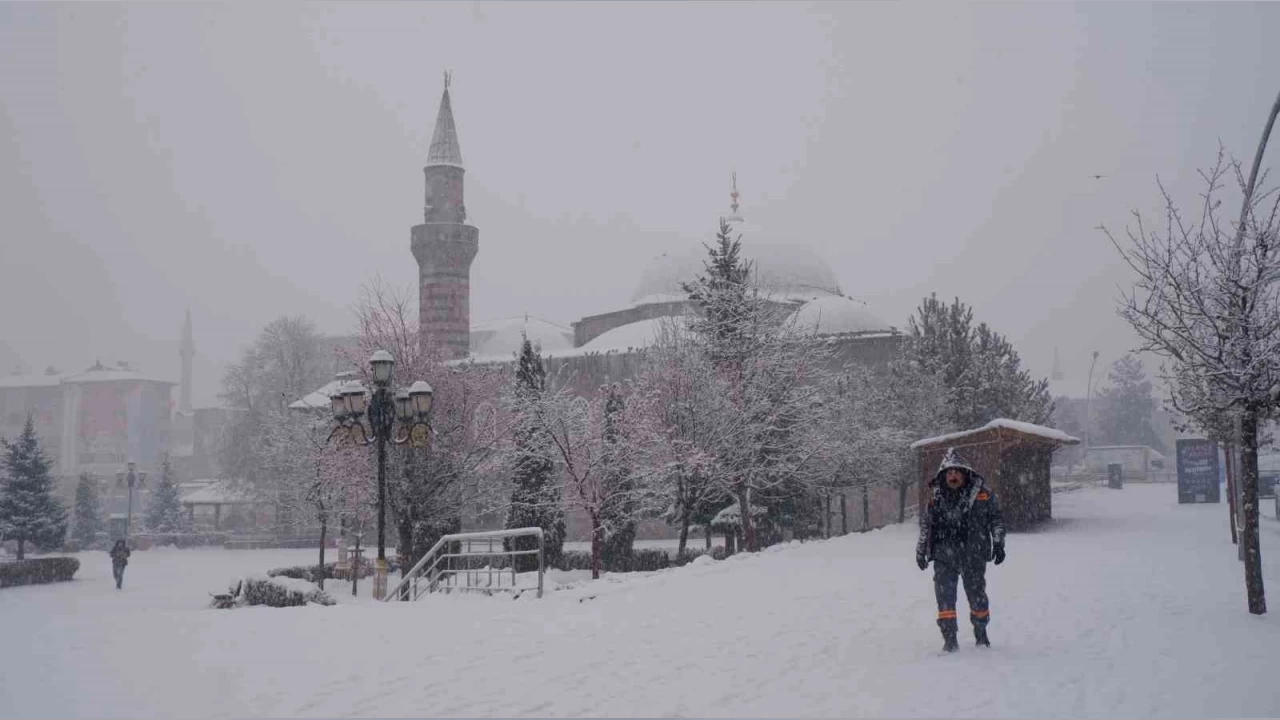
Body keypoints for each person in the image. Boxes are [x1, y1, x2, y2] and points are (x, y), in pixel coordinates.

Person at [916, 447, 1006, 652]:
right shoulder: (936, 497)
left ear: (965, 473)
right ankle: (949, 640)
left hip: (973, 553)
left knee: (977, 595)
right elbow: (926, 525)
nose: (953, 475)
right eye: (948, 472)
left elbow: (996, 520)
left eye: (956, 471)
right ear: (943, 475)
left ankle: (981, 634)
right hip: (943, 554)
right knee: (945, 597)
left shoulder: (983, 495)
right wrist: (921, 550)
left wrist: (999, 542)